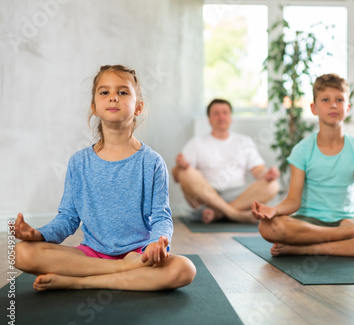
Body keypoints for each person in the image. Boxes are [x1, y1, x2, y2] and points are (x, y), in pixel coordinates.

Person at [14, 65, 196, 292]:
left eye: (122, 92)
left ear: (138, 106)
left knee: (185, 269)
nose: (113, 98)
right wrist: (39, 234)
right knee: (22, 253)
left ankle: (79, 282)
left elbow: (161, 217)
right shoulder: (79, 162)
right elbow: (68, 218)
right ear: (94, 107)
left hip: (139, 254)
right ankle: (125, 271)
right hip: (92, 255)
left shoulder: (151, 162)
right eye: (104, 92)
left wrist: (155, 245)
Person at [251, 73, 354, 257]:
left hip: (347, 221)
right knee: (268, 227)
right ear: (314, 108)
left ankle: (306, 249)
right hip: (308, 223)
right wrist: (274, 210)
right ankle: (344, 237)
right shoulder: (302, 150)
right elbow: (293, 201)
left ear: (348, 108)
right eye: (326, 100)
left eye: (339, 100)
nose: (333, 105)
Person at [173, 98, 280, 224]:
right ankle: (236, 215)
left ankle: (218, 214)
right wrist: (180, 167)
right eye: (216, 113)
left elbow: (259, 171)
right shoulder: (196, 143)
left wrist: (268, 174)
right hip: (206, 196)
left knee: (273, 185)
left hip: (239, 196)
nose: (221, 117)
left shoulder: (244, 142)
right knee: (185, 173)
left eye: (225, 113)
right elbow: (176, 176)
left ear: (230, 117)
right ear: (209, 119)